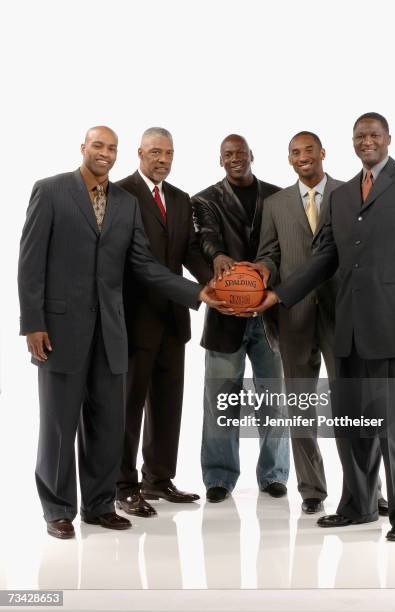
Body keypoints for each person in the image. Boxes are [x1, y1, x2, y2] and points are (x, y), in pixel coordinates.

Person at [248, 113, 395, 541]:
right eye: (360, 136)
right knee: (353, 424)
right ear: (352, 143)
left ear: (388, 138)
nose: (367, 141)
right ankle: (357, 506)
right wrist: (278, 296)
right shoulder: (342, 197)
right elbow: (323, 259)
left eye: (374, 135)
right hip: (348, 331)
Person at [18, 126, 222, 539]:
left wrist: (196, 291)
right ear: (83, 148)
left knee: (107, 422)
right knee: (59, 425)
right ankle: (58, 509)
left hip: (112, 330)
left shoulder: (126, 204)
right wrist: (33, 324)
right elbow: (30, 261)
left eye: (111, 148)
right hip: (60, 330)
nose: (105, 154)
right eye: (98, 145)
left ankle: (97, 505)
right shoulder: (51, 190)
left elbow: (144, 265)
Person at [254, 131, 387, 515]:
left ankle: (368, 489)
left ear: (323, 153)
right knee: (300, 405)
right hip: (293, 317)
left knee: (354, 406)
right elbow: (270, 254)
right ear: (289, 159)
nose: (302, 157)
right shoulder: (275, 204)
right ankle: (312, 489)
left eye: (308, 150)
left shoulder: (351, 194)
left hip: (342, 314)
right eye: (294, 152)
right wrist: (261, 271)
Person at [115, 127, 212, 516]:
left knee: (168, 404)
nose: (163, 160)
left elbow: (188, 250)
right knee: (129, 405)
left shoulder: (179, 198)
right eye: (155, 152)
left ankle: (158, 478)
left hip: (173, 318)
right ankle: (122, 484)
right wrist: (197, 292)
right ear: (140, 152)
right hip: (135, 316)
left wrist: (219, 284)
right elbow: (135, 261)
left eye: (169, 153)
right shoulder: (121, 193)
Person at [192, 134, 290, 503]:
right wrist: (217, 256)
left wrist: (266, 270)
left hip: (269, 314)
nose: (235, 159)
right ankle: (219, 476)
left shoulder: (279, 197)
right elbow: (205, 235)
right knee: (220, 399)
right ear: (221, 161)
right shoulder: (204, 200)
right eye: (227, 155)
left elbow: (283, 245)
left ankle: (274, 474)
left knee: (275, 399)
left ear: (252, 155)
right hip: (226, 316)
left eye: (240, 153)